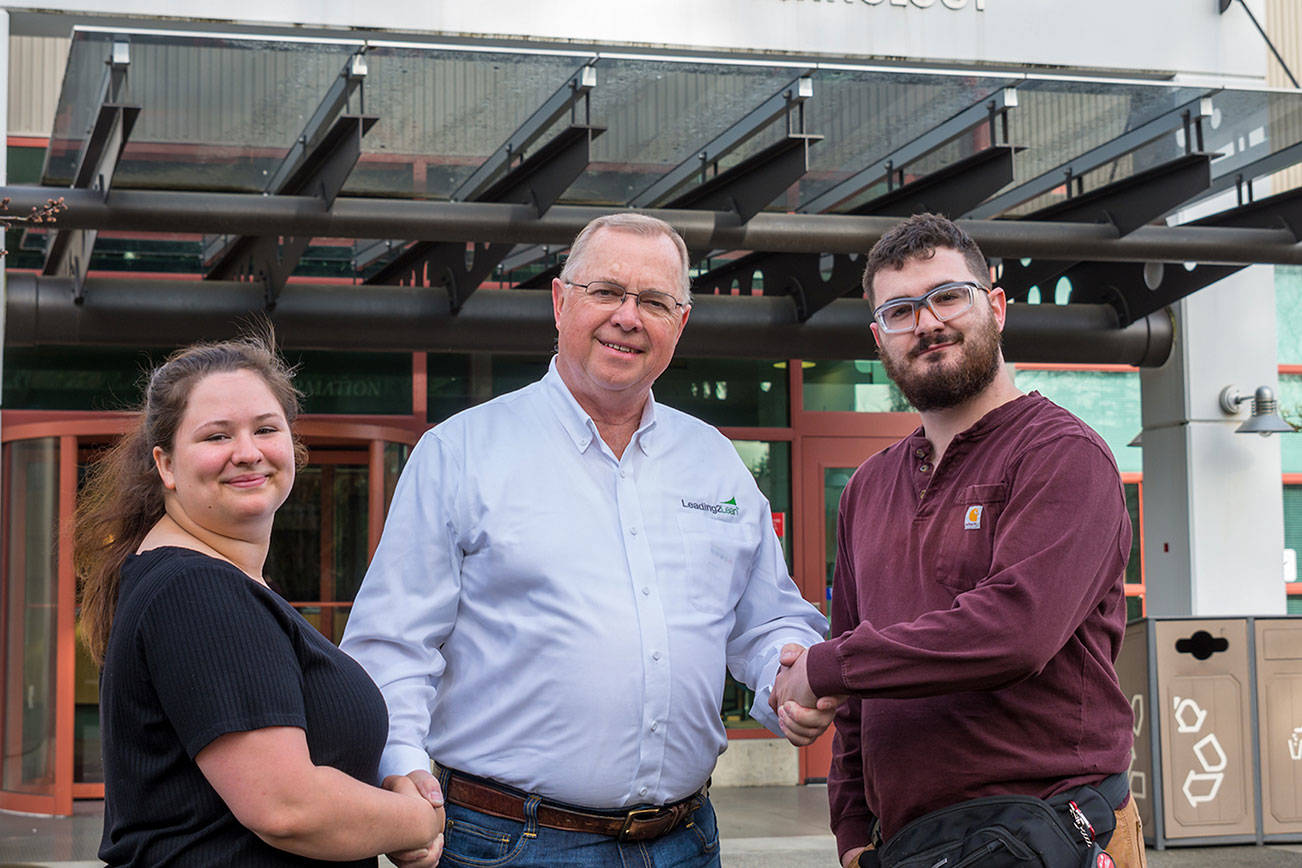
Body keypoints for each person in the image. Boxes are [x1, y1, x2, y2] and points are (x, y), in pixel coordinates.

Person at [340, 213, 835, 867]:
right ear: (559, 301)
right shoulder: (460, 454)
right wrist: (401, 772)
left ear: (679, 324)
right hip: (509, 843)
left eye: (654, 301)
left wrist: (785, 677)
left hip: (687, 841)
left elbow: (766, 620)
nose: (628, 317)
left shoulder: (713, 460)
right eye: (606, 292)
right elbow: (393, 644)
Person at [770, 213, 1144, 868]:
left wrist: (825, 668)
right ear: (879, 338)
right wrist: (854, 835)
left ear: (995, 306)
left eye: (948, 296)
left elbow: (1013, 631)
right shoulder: (867, 488)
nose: (927, 323)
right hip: (914, 846)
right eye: (901, 311)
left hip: (1053, 833)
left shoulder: (1062, 455)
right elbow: (858, 693)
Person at [77, 335, 444, 867]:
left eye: (266, 429)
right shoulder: (198, 592)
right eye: (216, 435)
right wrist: (421, 819)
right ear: (166, 465)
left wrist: (375, 814)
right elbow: (287, 808)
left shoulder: (207, 581)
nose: (247, 451)